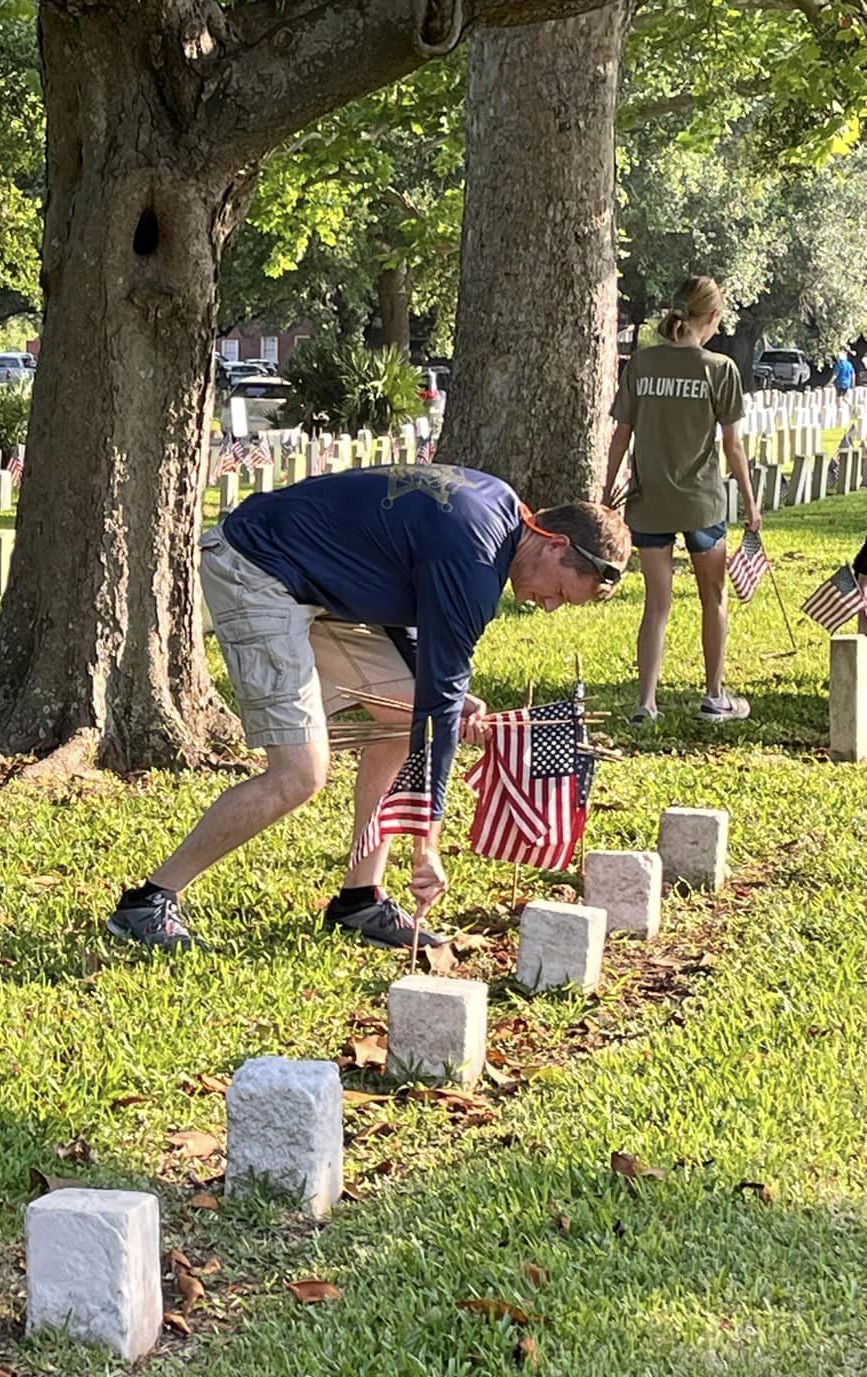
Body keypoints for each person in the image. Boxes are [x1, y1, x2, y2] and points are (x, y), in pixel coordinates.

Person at [107, 465, 630, 953]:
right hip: (259, 565)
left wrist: (432, 692)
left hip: (322, 582)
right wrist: (428, 845)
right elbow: (440, 711)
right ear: (555, 543)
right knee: (299, 775)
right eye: (560, 590)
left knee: (401, 719)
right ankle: (149, 901)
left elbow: (408, 608)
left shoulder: (499, 509)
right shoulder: (477, 557)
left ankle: (360, 898)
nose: (549, 605)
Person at [602, 275, 760, 725]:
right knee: (714, 597)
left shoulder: (643, 365)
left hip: (649, 501)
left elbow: (620, 435)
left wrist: (607, 489)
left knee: (657, 605)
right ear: (711, 318)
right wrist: (750, 501)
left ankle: (645, 703)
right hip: (702, 504)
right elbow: (732, 447)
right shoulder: (719, 369)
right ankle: (714, 696)